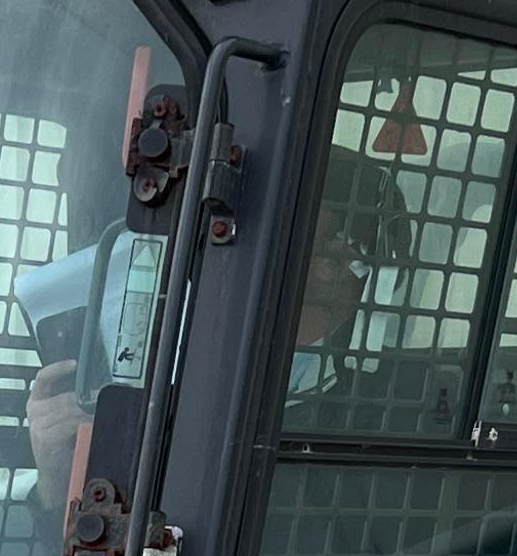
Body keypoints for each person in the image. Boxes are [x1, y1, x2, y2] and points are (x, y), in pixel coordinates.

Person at [22, 143, 420, 490]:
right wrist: (56, 478)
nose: (230, 242)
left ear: (337, 260)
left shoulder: (385, 416)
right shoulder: (186, 352)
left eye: (276, 223)